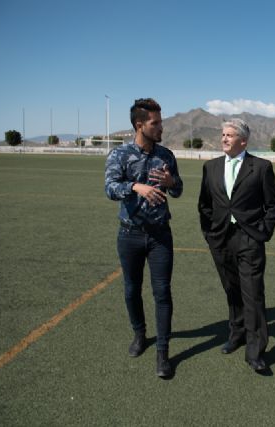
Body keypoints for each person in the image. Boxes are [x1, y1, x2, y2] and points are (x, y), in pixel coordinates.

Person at [104, 98, 183, 378]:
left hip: (160, 235)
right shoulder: (120, 155)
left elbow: (179, 190)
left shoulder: (166, 155)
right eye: (155, 123)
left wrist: (171, 183)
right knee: (131, 289)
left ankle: (163, 352)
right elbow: (110, 188)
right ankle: (140, 334)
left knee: (162, 293)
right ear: (140, 125)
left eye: (160, 121)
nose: (161, 127)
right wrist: (136, 187)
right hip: (130, 235)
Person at [198, 118, 275, 372]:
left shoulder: (261, 167)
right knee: (231, 289)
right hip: (221, 238)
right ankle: (236, 334)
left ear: (243, 141)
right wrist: (210, 233)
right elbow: (204, 205)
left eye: (230, 135)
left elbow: (273, 206)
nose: (224, 138)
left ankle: (255, 350)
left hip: (249, 239)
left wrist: (261, 233)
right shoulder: (210, 167)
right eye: (223, 134)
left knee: (252, 293)